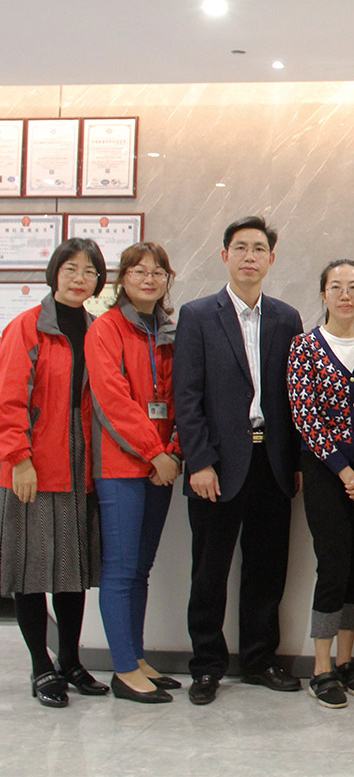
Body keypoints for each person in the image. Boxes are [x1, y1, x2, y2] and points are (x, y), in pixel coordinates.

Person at [174, 215, 304, 705]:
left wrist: (294, 462)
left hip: (271, 463)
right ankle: (207, 666)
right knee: (209, 571)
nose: (250, 257)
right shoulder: (197, 315)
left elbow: (292, 398)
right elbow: (186, 396)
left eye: (259, 249)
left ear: (271, 259)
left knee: (267, 570)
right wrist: (199, 462)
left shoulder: (287, 318)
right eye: (241, 248)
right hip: (217, 466)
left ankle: (259, 660)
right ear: (225, 255)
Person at [0, 238, 108, 707]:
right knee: (30, 570)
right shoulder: (27, 327)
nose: (79, 279)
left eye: (89, 271)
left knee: (72, 570)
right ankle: (40, 667)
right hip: (33, 465)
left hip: (81, 464)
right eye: (70, 269)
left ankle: (70, 661)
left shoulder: (97, 330)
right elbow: (8, 399)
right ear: (54, 273)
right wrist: (18, 459)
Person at [287, 260, 354, 709]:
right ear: (323, 294)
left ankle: (347, 662)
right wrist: (343, 470)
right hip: (326, 477)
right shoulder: (304, 347)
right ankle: (322, 667)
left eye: (353, 287)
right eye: (336, 287)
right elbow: (304, 415)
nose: (345, 295)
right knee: (332, 566)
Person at [86, 242, 182, 704]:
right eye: (139, 271)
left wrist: (173, 453)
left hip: (162, 465)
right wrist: (154, 453)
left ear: (167, 280)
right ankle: (123, 669)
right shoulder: (105, 329)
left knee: (141, 568)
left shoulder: (169, 331)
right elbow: (113, 400)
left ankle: (137, 657)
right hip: (122, 466)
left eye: (158, 272)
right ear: (122, 278)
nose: (149, 279)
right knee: (121, 569)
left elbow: (183, 396)